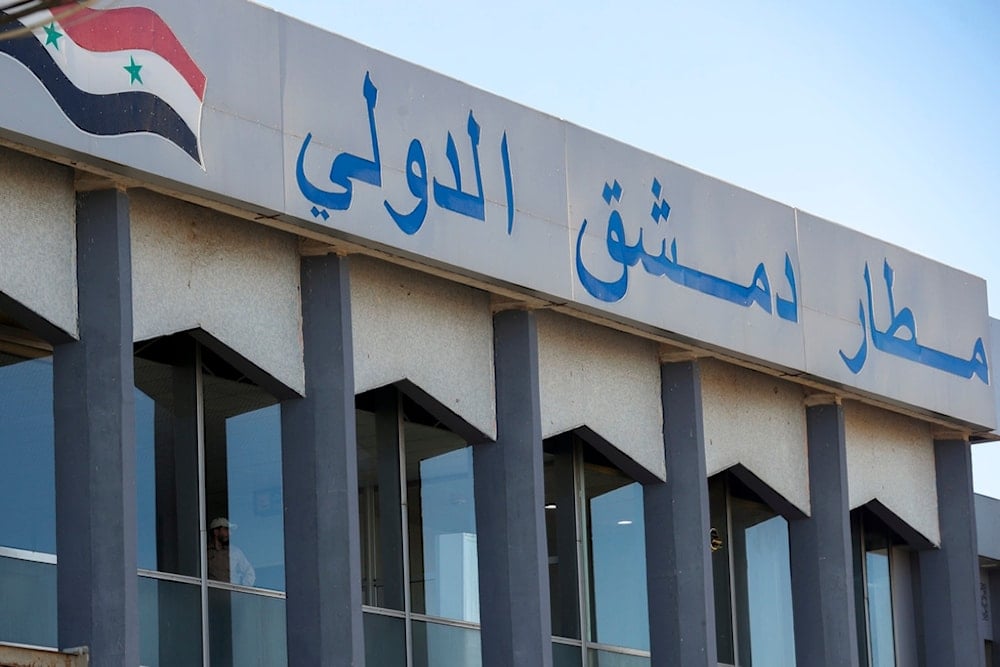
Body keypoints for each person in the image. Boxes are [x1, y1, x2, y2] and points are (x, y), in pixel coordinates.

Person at [207, 517, 256, 586]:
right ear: (216, 532)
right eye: (226, 529)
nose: (230, 533)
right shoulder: (205, 552)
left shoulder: (235, 552)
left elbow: (249, 572)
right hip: (213, 594)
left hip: (232, 594)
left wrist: (241, 591)